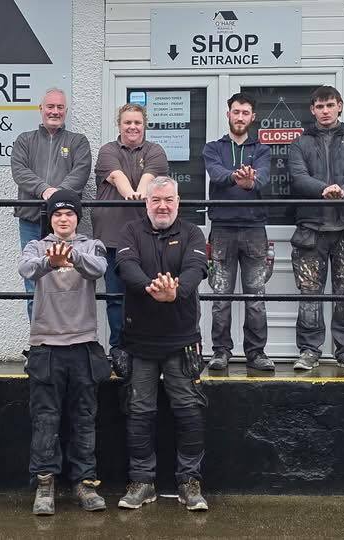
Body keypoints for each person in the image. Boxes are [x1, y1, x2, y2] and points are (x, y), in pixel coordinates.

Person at [114, 176, 209, 512]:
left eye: (169, 200)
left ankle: (189, 481)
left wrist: (176, 291)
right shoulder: (130, 232)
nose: (163, 206)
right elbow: (125, 267)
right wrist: (153, 289)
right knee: (139, 411)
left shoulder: (193, 233)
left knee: (189, 410)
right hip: (139, 341)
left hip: (182, 339)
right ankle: (142, 481)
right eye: (156, 200)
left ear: (178, 202)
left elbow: (197, 269)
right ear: (147, 203)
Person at [18, 190, 110, 516]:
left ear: (77, 218)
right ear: (50, 219)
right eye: (57, 214)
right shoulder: (36, 246)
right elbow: (26, 269)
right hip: (46, 345)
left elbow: (99, 268)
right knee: (45, 419)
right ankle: (45, 484)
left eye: (69, 213)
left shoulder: (91, 245)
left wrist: (71, 257)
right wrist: (50, 261)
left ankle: (85, 483)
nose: (63, 219)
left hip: (83, 344)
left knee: (84, 418)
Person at [287, 86, 344, 371]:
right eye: (320, 106)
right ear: (312, 110)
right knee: (310, 294)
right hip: (311, 228)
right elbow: (298, 177)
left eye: (330, 105)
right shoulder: (300, 143)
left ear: (340, 106)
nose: (325, 111)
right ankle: (310, 351)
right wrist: (324, 189)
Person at [202, 92, 274, 371]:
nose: (240, 117)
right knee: (220, 298)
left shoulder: (263, 150)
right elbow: (217, 174)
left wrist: (251, 182)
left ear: (253, 117)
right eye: (236, 112)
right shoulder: (212, 148)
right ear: (228, 114)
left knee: (256, 298)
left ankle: (256, 353)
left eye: (245, 113)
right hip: (222, 231)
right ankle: (221, 352)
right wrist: (237, 178)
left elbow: (262, 178)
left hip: (255, 231)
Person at [93, 103, 169, 355]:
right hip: (112, 237)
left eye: (137, 122)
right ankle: (119, 348)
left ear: (144, 125)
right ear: (119, 125)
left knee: (146, 292)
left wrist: (140, 192)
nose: (132, 127)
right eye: (127, 122)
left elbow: (150, 178)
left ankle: (144, 346)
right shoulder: (108, 150)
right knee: (115, 297)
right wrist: (132, 195)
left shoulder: (155, 151)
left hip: (146, 237)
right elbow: (117, 177)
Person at [11, 88, 92, 319]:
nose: (54, 111)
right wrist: (44, 190)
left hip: (65, 223)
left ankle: (64, 335)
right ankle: (38, 337)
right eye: (50, 107)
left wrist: (57, 197)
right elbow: (19, 171)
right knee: (33, 282)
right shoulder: (24, 140)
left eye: (60, 107)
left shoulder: (78, 142)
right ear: (41, 109)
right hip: (31, 220)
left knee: (66, 280)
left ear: (65, 111)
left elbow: (81, 172)